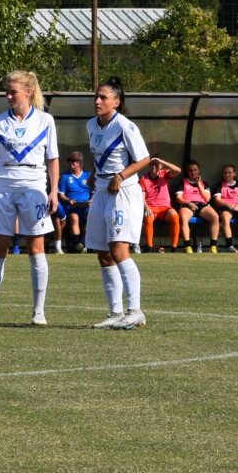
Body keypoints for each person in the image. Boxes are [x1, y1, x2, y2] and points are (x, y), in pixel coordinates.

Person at [0, 70, 59, 326]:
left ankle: (38, 311)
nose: (8, 95)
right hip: (2, 189)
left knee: (36, 250)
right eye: (7, 90)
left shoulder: (45, 120)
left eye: (13, 91)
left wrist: (53, 190)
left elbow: (52, 159)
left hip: (34, 188)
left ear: (28, 92)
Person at [85, 77, 149, 329]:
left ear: (116, 102)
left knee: (119, 249)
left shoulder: (125, 126)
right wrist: (93, 174)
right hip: (101, 191)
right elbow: (100, 156)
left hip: (122, 192)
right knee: (103, 253)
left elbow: (144, 158)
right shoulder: (91, 125)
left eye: (103, 97)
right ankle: (115, 313)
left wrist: (120, 176)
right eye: (96, 97)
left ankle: (135, 310)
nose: (97, 101)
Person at [139, 156, 182, 253]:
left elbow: (178, 170)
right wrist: (146, 208)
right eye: (152, 164)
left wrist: (163, 161)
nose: (153, 166)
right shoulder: (143, 178)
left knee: (175, 216)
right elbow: (141, 196)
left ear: (161, 165)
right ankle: (150, 247)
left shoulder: (164, 174)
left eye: (156, 164)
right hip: (151, 208)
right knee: (148, 218)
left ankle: (174, 247)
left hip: (165, 207)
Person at [173, 159, 215, 253]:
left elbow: (207, 198)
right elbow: (178, 198)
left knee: (215, 216)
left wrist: (199, 184)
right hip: (187, 204)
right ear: (187, 171)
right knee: (183, 217)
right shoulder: (181, 183)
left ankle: (213, 246)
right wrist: (188, 203)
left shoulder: (204, 183)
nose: (193, 172)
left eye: (195, 170)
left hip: (202, 205)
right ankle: (187, 246)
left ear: (199, 170)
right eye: (191, 170)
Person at [56, 152, 92, 254]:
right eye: (69, 160)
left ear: (80, 163)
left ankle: (83, 242)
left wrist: (91, 201)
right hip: (72, 205)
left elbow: (94, 192)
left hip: (86, 205)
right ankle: (77, 245)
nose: (70, 163)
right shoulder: (65, 176)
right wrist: (68, 200)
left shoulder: (88, 175)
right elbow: (61, 194)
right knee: (73, 218)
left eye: (73, 161)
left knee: (91, 216)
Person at [211, 164, 238, 252]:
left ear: (234, 173)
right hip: (225, 206)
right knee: (225, 217)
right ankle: (230, 246)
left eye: (230, 172)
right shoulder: (219, 185)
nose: (227, 175)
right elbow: (218, 200)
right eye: (225, 173)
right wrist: (229, 205)